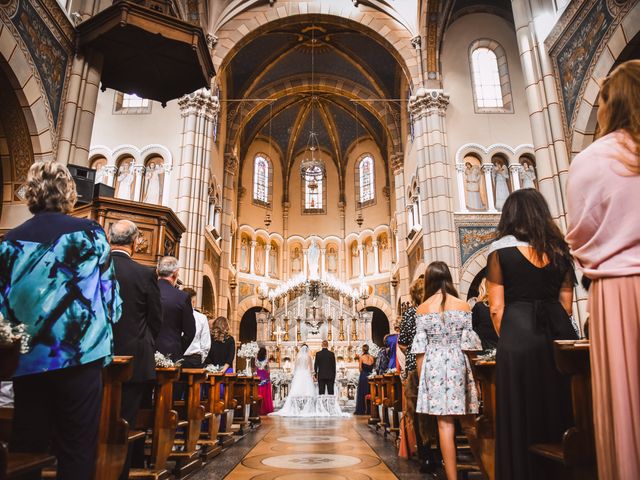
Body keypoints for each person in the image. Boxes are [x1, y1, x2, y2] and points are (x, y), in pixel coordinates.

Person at [0, 161, 121, 479]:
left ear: (32, 194)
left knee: (27, 447)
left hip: (28, 360)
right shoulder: (91, 234)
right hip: (80, 357)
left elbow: (3, 308)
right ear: (69, 193)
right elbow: (111, 299)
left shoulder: (10, 241)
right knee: (77, 449)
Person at [566, 59, 640, 480]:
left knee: (625, 410)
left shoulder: (595, 158)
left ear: (610, 104)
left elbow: (578, 235)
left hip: (617, 293)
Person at [487, 189, 578, 480]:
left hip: (518, 334)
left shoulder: (500, 251)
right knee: (559, 406)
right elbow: (567, 305)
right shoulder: (561, 251)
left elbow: (496, 309)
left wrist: (514, 337)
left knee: (520, 415)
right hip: (558, 335)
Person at [412, 261, 481, 480]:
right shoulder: (463, 306)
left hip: (434, 365)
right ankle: (488, 469)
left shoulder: (422, 309)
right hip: (458, 362)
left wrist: (424, 381)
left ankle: (452, 477)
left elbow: (420, 352)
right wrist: (475, 375)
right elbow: (469, 346)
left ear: (429, 281)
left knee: (445, 426)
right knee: (470, 423)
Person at [109, 219, 162, 480]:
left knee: (96, 416)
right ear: (135, 241)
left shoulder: (94, 268)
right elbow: (156, 318)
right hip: (134, 359)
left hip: (96, 357)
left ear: (110, 240)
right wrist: (143, 341)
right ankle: (121, 471)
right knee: (126, 420)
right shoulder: (144, 273)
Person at [398, 275, 437, 471]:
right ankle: (443, 451)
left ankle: (426, 455)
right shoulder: (437, 310)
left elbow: (403, 342)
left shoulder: (411, 314)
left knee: (420, 410)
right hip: (440, 364)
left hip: (416, 366)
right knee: (441, 409)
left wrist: (415, 352)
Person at [156, 256, 196, 361]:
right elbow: (190, 332)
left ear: (157, 271)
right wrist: (178, 348)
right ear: (175, 273)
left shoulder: (145, 291)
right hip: (171, 353)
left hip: (145, 351)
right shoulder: (182, 297)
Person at [181, 288, 211, 369]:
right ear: (193, 302)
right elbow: (206, 344)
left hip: (178, 357)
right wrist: (201, 359)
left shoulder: (176, 314)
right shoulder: (202, 318)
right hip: (195, 359)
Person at [471, 278, 499, 350]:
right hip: (502, 351)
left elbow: (470, 328)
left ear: (482, 289)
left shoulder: (479, 307)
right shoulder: (504, 307)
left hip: (484, 352)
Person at [354, 344, 375, 415]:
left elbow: (360, 368)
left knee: (362, 393)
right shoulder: (372, 357)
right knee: (369, 391)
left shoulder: (362, 357)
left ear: (363, 350)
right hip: (370, 376)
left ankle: (362, 410)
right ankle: (370, 410)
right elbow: (373, 367)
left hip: (363, 376)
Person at [256, 347, 274, 415]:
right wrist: (268, 375)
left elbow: (256, 368)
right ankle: (266, 409)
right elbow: (268, 370)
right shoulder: (266, 360)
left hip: (258, 376)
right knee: (265, 394)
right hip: (265, 376)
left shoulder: (256, 359)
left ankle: (258, 409)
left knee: (259, 392)